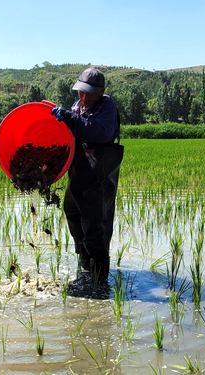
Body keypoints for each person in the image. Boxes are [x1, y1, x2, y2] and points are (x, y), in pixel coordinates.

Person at [51, 68, 123, 282]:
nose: (84, 97)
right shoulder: (77, 106)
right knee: (72, 211)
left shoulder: (107, 106)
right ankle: (85, 265)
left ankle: (99, 280)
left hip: (99, 174)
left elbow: (101, 133)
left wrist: (72, 120)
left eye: (90, 93)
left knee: (95, 222)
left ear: (102, 91)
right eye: (81, 92)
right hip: (79, 172)